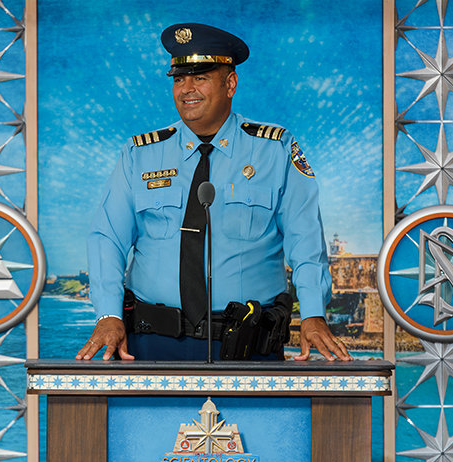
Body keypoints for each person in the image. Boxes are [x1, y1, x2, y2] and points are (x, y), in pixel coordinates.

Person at [76, 23, 351, 362]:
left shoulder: (274, 150)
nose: (187, 89)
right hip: (149, 345)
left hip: (247, 348)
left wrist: (312, 313)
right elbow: (107, 238)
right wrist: (108, 314)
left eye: (201, 77)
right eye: (179, 79)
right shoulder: (140, 154)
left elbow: (305, 241)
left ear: (230, 84)